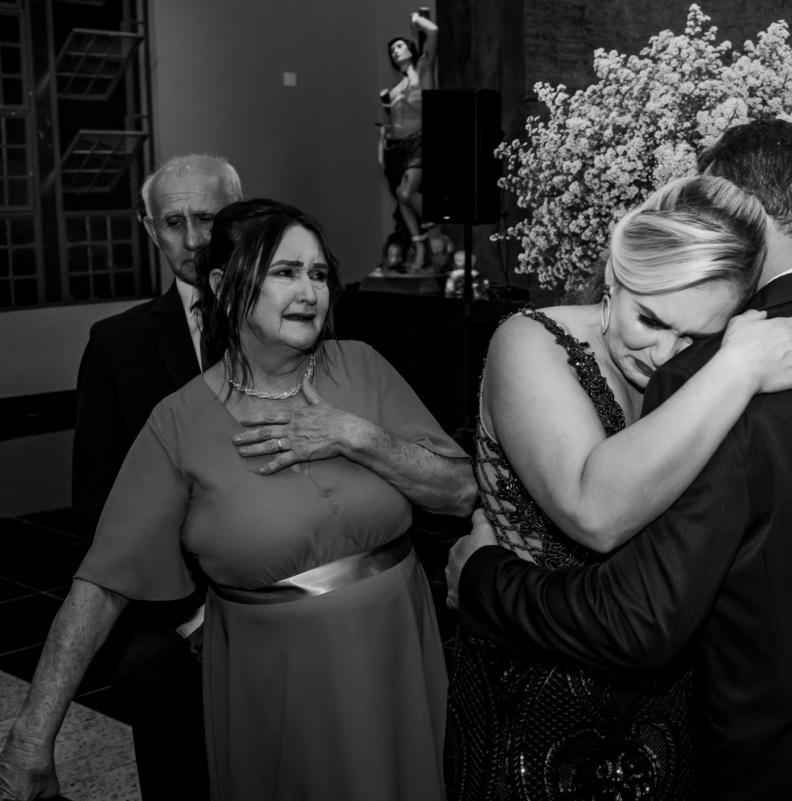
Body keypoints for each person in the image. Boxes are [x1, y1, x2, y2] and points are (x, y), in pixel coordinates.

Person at [448, 121, 792, 800]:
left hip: (777, 757)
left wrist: (481, 578)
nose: (666, 350)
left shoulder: (718, 375)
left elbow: (641, 617)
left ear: (744, 217)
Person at [0, 199, 475, 801]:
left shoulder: (362, 367)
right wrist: (31, 737)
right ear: (224, 287)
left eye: (319, 274)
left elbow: (461, 492)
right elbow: (103, 584)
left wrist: (359, 436)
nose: (309, 291)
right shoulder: (178, 422)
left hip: (395, 648)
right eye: (284, 272)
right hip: (274, 677)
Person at [71, 153, 241, 801]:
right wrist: (192, 618)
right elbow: (100, 510)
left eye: (208, 218)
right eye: (174, 222)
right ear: (151, 229)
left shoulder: (289, 322)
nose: (194, 240)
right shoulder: (115, 345)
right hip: (169, 619)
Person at [379, 11, 437, 269]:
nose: (395, 51)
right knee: (402, 198)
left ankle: (434, 230)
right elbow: (392, 123)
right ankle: (420, 246)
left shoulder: (423, 70)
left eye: (399, 45)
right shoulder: (393, 90)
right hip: (395, 148)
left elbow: (433, 32)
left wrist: (417, 20)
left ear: (411, 49)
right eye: (392, 50)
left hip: (419, 142)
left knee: (406, 192)